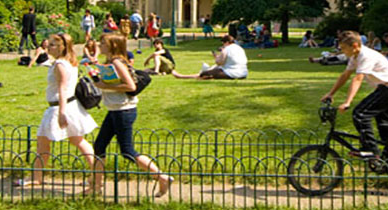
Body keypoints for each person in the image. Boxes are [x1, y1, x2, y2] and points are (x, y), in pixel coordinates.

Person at [88, 34, 172, 197]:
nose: (100, 45)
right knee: (99, 146)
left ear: (112, 45)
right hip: (114, 109)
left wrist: (103, 85)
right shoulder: (111, 62)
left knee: (127, 151)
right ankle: (96, 186)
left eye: (103, 43)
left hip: (123, 110)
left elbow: (130, 85)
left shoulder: (118, 62)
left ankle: (161, 177)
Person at [16, 33, 98, 190]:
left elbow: (62, 89)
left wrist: (61, 113)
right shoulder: (68, 62)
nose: (48, 47)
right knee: (77, 141)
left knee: (44, 142)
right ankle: (95, 173)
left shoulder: (60, 64)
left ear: (62, 47)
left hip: (60, 106)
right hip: (68, 106)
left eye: (53, 44)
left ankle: (36, 176)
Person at [320, 31, 388, 160]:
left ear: (354, 45)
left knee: (360, 114)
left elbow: (358, 79)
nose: (342, 51)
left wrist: (348, 102)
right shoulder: (355, 56)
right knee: (384, 125)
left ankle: (370, 149)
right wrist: (330, 93)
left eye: (343, 48)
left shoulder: (365, 56)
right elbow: (345, 75)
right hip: (385, 87)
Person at [172, 34, 248, 80]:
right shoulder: (240, 48)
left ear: (227, 42)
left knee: (204, 73)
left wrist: (216, 57)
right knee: (212, 70)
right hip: (243, 73)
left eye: (223, 43)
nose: (223, 45)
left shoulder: (226, 49)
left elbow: (219, 62)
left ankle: (182, 76)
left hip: (232, 73)